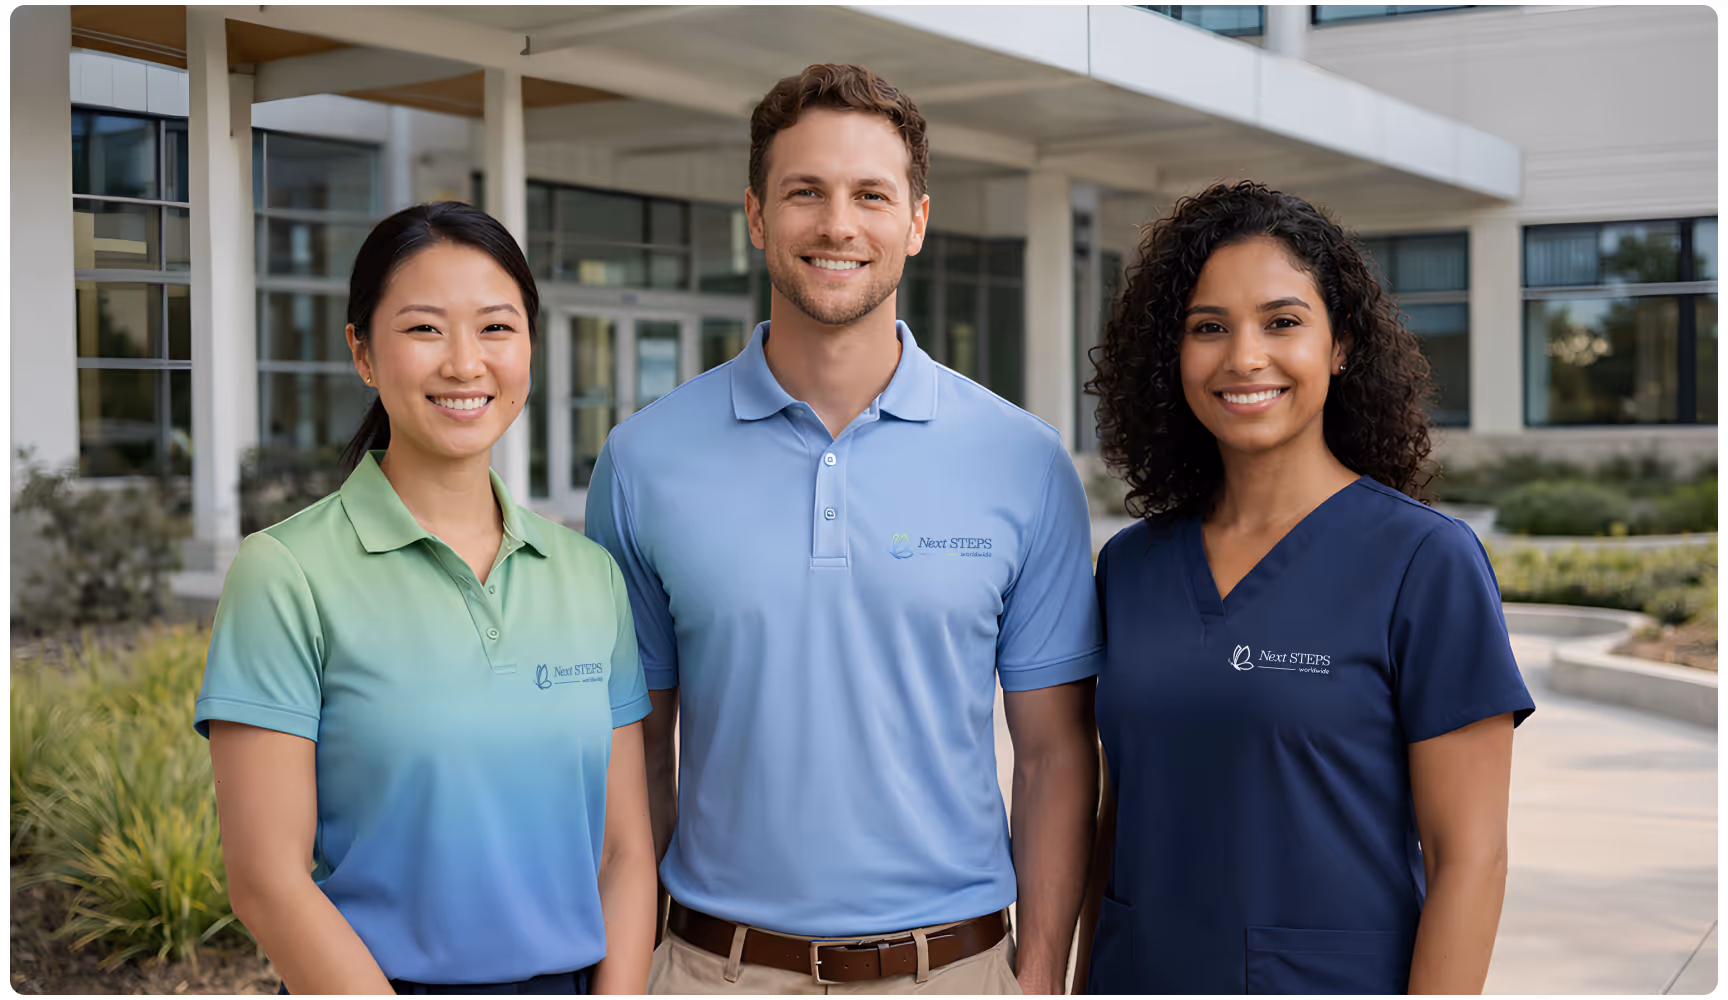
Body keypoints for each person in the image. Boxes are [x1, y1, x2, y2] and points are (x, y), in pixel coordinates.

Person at [585, 64, 1103, 995]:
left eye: (871, 194)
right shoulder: (642, 462)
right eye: (805, 193)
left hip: (955, 969)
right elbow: (636, 762)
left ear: (916, 220)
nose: (837, 224)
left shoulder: (1025, 462)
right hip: (714, 969)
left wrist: (1037, 980)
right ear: (755, 216)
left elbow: (1056, 755)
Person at [1073, 181, 1535, 995]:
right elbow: (1121, 813)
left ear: (1341, 343)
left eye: (1282, 322)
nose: (1244, 357)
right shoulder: (1131, 567)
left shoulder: (1425, 564)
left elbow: (1472, 859)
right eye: (1208, 328)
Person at [194, 202, 656, 995]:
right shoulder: (285, 574)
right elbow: (267, 882)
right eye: (423, 329)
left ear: (531, 351)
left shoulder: (589, 577)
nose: (465, 364)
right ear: (363, 353)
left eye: (497, 328)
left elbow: (623, 853)